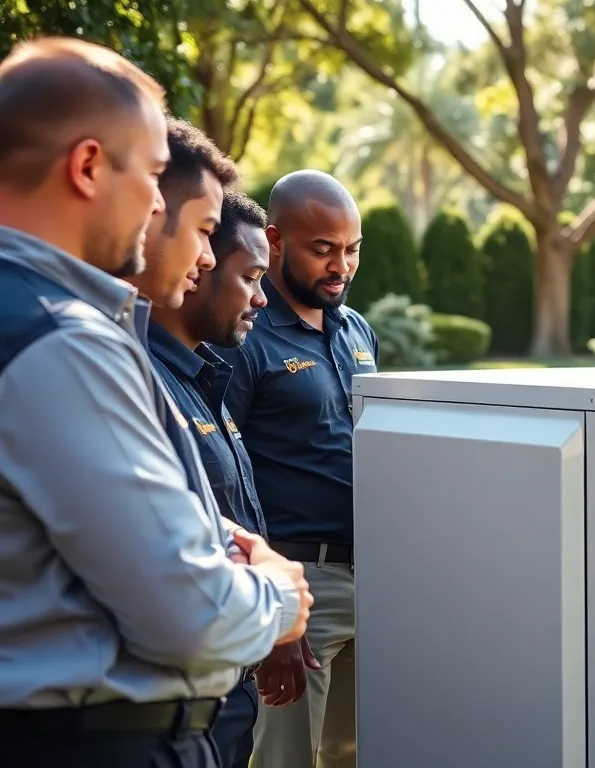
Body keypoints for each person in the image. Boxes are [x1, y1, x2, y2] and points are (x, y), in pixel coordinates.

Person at [0, 38, 310, 768]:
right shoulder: (60, 341)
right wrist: (277, 596)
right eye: (149, 175)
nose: (152, 204)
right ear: (86, 167)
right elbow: (192, 619)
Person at [148, 184, 321, 768]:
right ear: (198, 267)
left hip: (232, 671)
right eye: (249, 278)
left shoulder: (207, 375)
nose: (261, 300)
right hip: (185, 690)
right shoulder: (145, 383)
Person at [213, 169, 377, 768]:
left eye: (353, 249)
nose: (342, 266)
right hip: (299, 581)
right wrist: (275, 606)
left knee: (359, 753)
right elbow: (221, 472)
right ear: (276, 241)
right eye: (324, 249)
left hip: (377, 575)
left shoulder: (356, 330)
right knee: (286, 759)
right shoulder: (245, 338)